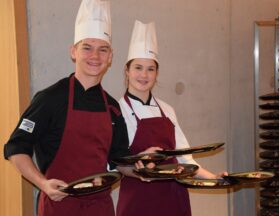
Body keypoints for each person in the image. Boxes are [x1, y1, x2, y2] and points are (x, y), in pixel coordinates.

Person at [3, 0, 129, 215]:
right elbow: (16, 148)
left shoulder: (113, 107)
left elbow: (120, 160)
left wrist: (146, 168)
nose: (95, 56)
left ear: (110, 57)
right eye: (87, 48)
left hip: (100, 208)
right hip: (60, 206)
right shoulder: (49, 99)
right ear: (73, 51)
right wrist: (43, 184)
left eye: (102, 50)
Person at [116, 20, 227, 216]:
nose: (144, 75)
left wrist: (214, 179)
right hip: (138, 201)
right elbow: (114, 163)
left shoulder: (167, 109)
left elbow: (184, 159)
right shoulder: (117, 109)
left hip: (173, 199)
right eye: (138, 67)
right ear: (127, 70)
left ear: (157, 73)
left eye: (150, 69)